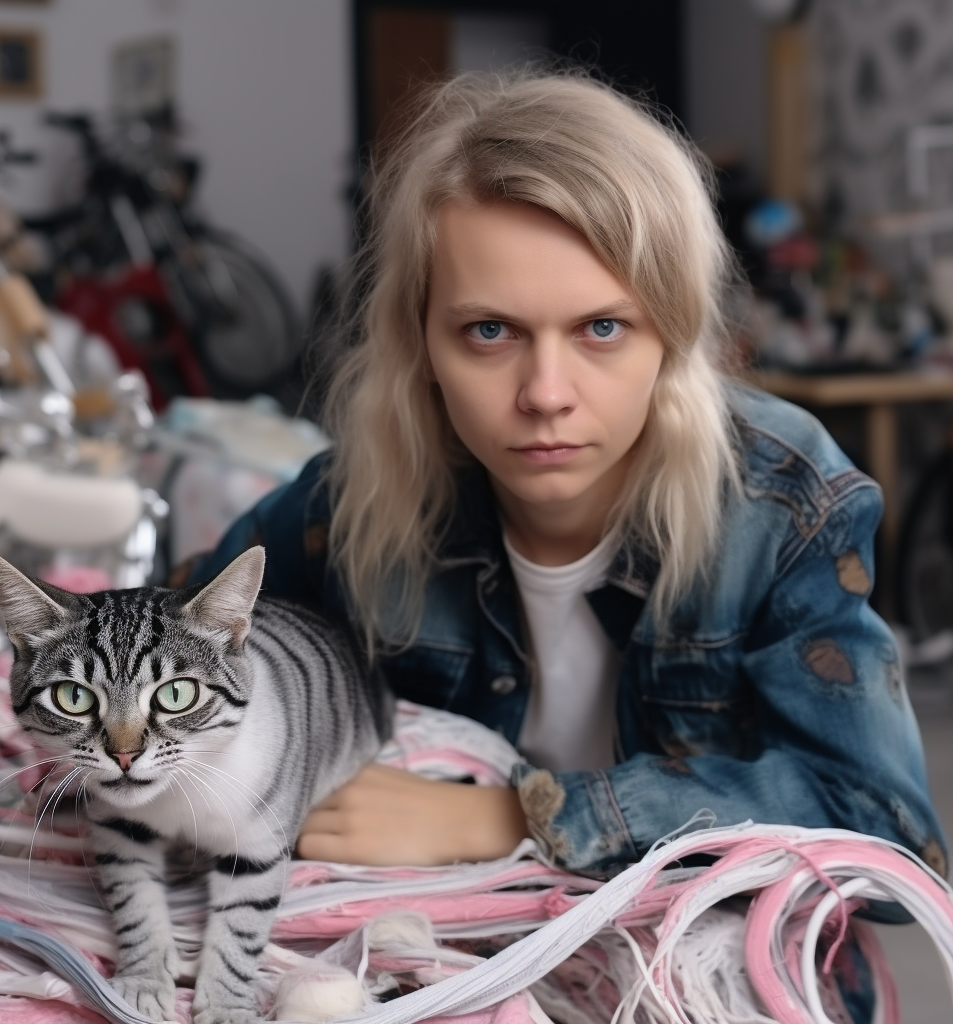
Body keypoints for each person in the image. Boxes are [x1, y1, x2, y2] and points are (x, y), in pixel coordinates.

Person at [189, 69, 945, 886]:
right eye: (488, 330)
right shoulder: (349, 502)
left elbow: (885, 833)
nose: (546, 395)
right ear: (422, 346)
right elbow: (157, 654)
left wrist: (513, 816)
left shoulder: (784, 503)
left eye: (603, 328)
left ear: (674, 334)